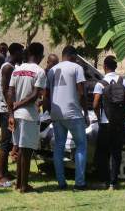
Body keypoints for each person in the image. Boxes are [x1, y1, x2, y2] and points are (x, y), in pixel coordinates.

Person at [46, 45, 89, 191]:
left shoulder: (52, 70)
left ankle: (61, 183)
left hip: (57, 113)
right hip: (73, 113)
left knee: (59, 146)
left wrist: (49, 111)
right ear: (73, 56)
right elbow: (81, 93)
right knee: (81, 145)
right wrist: (86, 112)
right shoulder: (76, 68)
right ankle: (79, 183)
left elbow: (47, 93)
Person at [7, 42, 46, 193]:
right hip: (29, 115)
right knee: (26, 152)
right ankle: (24, 185)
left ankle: (18, 183)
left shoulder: (17, 70)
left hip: (16, 116)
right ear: (39, 55)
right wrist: (19, 105)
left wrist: (11, 112)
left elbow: (10, 93)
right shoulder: (39, 71)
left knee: (20, 151)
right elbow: (36, 94)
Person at [93, 56, 125, 190]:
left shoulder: (100, 84)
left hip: (105, 122)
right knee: (116, 152)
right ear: (115, 66)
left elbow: (96, 104)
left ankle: (104, 180)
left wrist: (98, 117)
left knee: (102, 152)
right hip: (119, 123)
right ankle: (114, 183)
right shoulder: (124, 82)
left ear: (105, 66)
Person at [0, 43, 25, 188]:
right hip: (6, 110)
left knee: (8, 143)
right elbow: (7, 91)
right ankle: (0, 176)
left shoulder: (11, 67)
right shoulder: (8, 67)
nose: (23, 55)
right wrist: (11, 112)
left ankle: (5, 172)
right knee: (5, 144)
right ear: (16, 52)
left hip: (8, 109)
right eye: (22, 52)